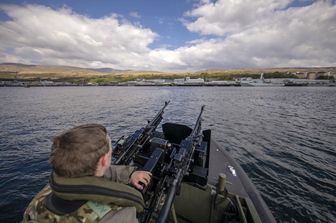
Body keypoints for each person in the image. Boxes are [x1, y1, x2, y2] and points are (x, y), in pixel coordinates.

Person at [23, 124, 152, 223]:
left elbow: (103, 173)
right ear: (103, 160)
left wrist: (129, 174)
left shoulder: (42, 195)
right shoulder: (120, 215)